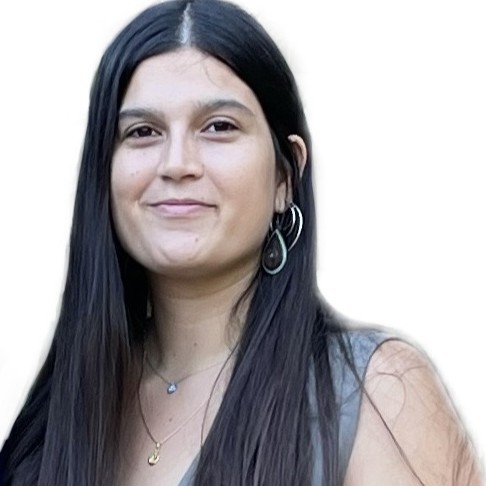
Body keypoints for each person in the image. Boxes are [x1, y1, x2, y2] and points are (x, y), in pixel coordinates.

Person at [0, 0, 483, 485]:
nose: (176, 163)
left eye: (219, 127)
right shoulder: (56, 413)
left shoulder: (373, 394)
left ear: (285, 176)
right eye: (143, 132)